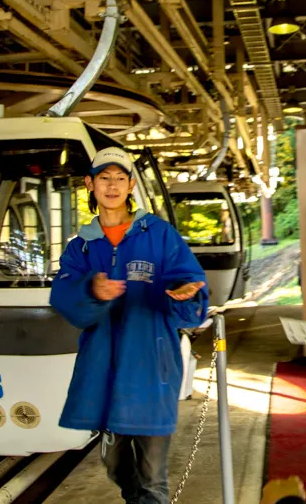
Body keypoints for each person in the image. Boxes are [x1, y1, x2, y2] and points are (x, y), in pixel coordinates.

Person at [50, 147, 209, 504]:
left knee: (152, 477)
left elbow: (192, 284)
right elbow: (63, 297)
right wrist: (91, 289)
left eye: (120, 178)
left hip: (152, 370)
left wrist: (184, 295)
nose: (112, 185)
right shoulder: (81, 248)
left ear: (131, 185)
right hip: (103, 373)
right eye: (104, 178)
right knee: (114, 463)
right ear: (90, 184)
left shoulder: (160, 234)